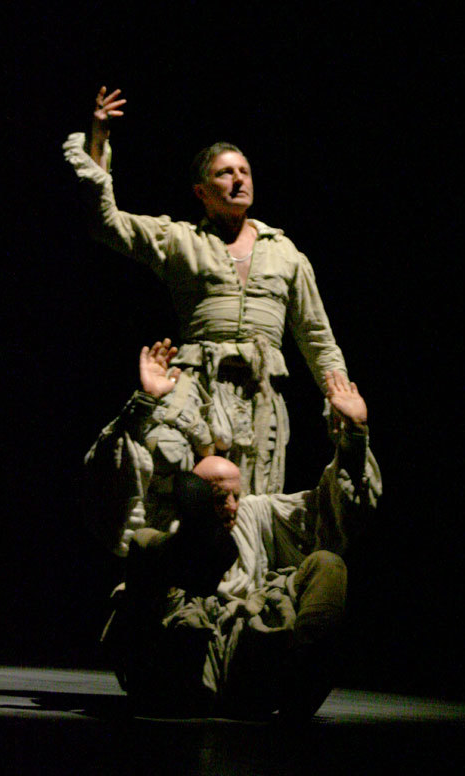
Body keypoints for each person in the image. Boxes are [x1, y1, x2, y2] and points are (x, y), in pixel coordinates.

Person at [64, 87, 349, 496]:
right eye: (225, 173)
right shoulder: (181, 240)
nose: (238, 180)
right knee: (183, 491)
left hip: (260, 399)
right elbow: (107, 224)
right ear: (201, 191)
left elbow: (316, 335)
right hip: (197, 391)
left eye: (244, 172)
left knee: (252, 501)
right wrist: (99, 141)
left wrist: (339, 396)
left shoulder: (285, 253)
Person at [91, 340, 381, 720]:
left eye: (235, 496)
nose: (231, 506)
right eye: (217, 498)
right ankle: (193, 562)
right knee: (145, 542)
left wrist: (355, 433)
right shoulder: (164, 512)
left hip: (246, 655)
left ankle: (299, 688)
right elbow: (111, 483)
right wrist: (142, 405)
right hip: (180, 655)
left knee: (328, 564)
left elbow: (330, 510)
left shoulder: (255, 512)